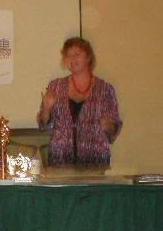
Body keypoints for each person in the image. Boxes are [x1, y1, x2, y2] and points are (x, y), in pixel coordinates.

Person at [37, 37, 122, 168]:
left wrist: (107, 125)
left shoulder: (105, 89)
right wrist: (47, 108)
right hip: (60, 160)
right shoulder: (56, 86)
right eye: (68, 55)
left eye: (77, 53)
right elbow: (43, 125)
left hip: (95, 160)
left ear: (88, 57)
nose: (72, 58)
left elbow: (113, 131)